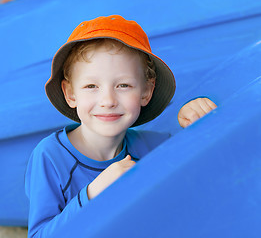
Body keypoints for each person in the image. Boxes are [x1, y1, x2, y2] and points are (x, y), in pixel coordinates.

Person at [24, 15, 217, 237]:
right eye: (91, 85)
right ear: (70, 93)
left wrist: (191, 118)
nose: (108, 100)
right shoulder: (50, 157)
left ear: (146, 91)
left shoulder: (149, 146)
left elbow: (195, 156)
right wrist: (93, 193)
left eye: (123, 85)